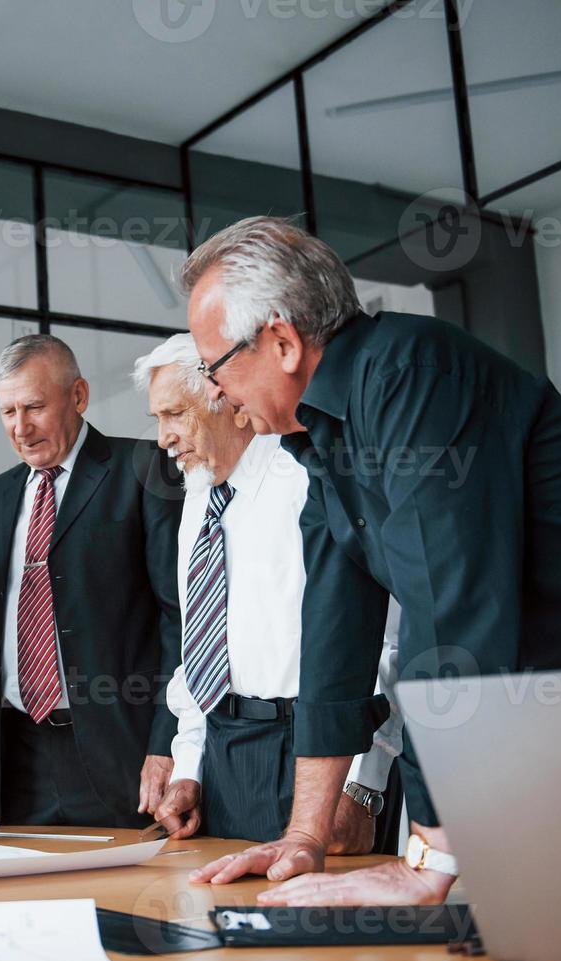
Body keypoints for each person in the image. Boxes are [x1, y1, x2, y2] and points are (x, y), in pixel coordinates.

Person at [182, 216, 561, 905]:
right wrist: (303, 836)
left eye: (214, 366)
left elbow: (449, 608)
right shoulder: (322, 439)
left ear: (281, 341)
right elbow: (333, 632)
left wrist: (430, 852)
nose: (214, 392)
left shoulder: (412, 376)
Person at [134, 333, 400, 848]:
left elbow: (383, 641)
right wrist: (190, 765)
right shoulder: (199, 497)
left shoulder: (310, 479)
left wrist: (362, 785)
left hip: (319, 750)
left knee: (325, 924)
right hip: (225, 755)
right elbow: (199, 649)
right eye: (157, 419)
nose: (164, 438)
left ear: (231, 403)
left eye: (175, 414)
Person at [0, 335, 182, 828]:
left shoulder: (145, 470)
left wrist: (166, 744)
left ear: (78, 396)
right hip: (15, 762)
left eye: (34, 406)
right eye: (7, 411)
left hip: (122, 757)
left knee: (133, 902)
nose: (21, 427)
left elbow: (179, 623)